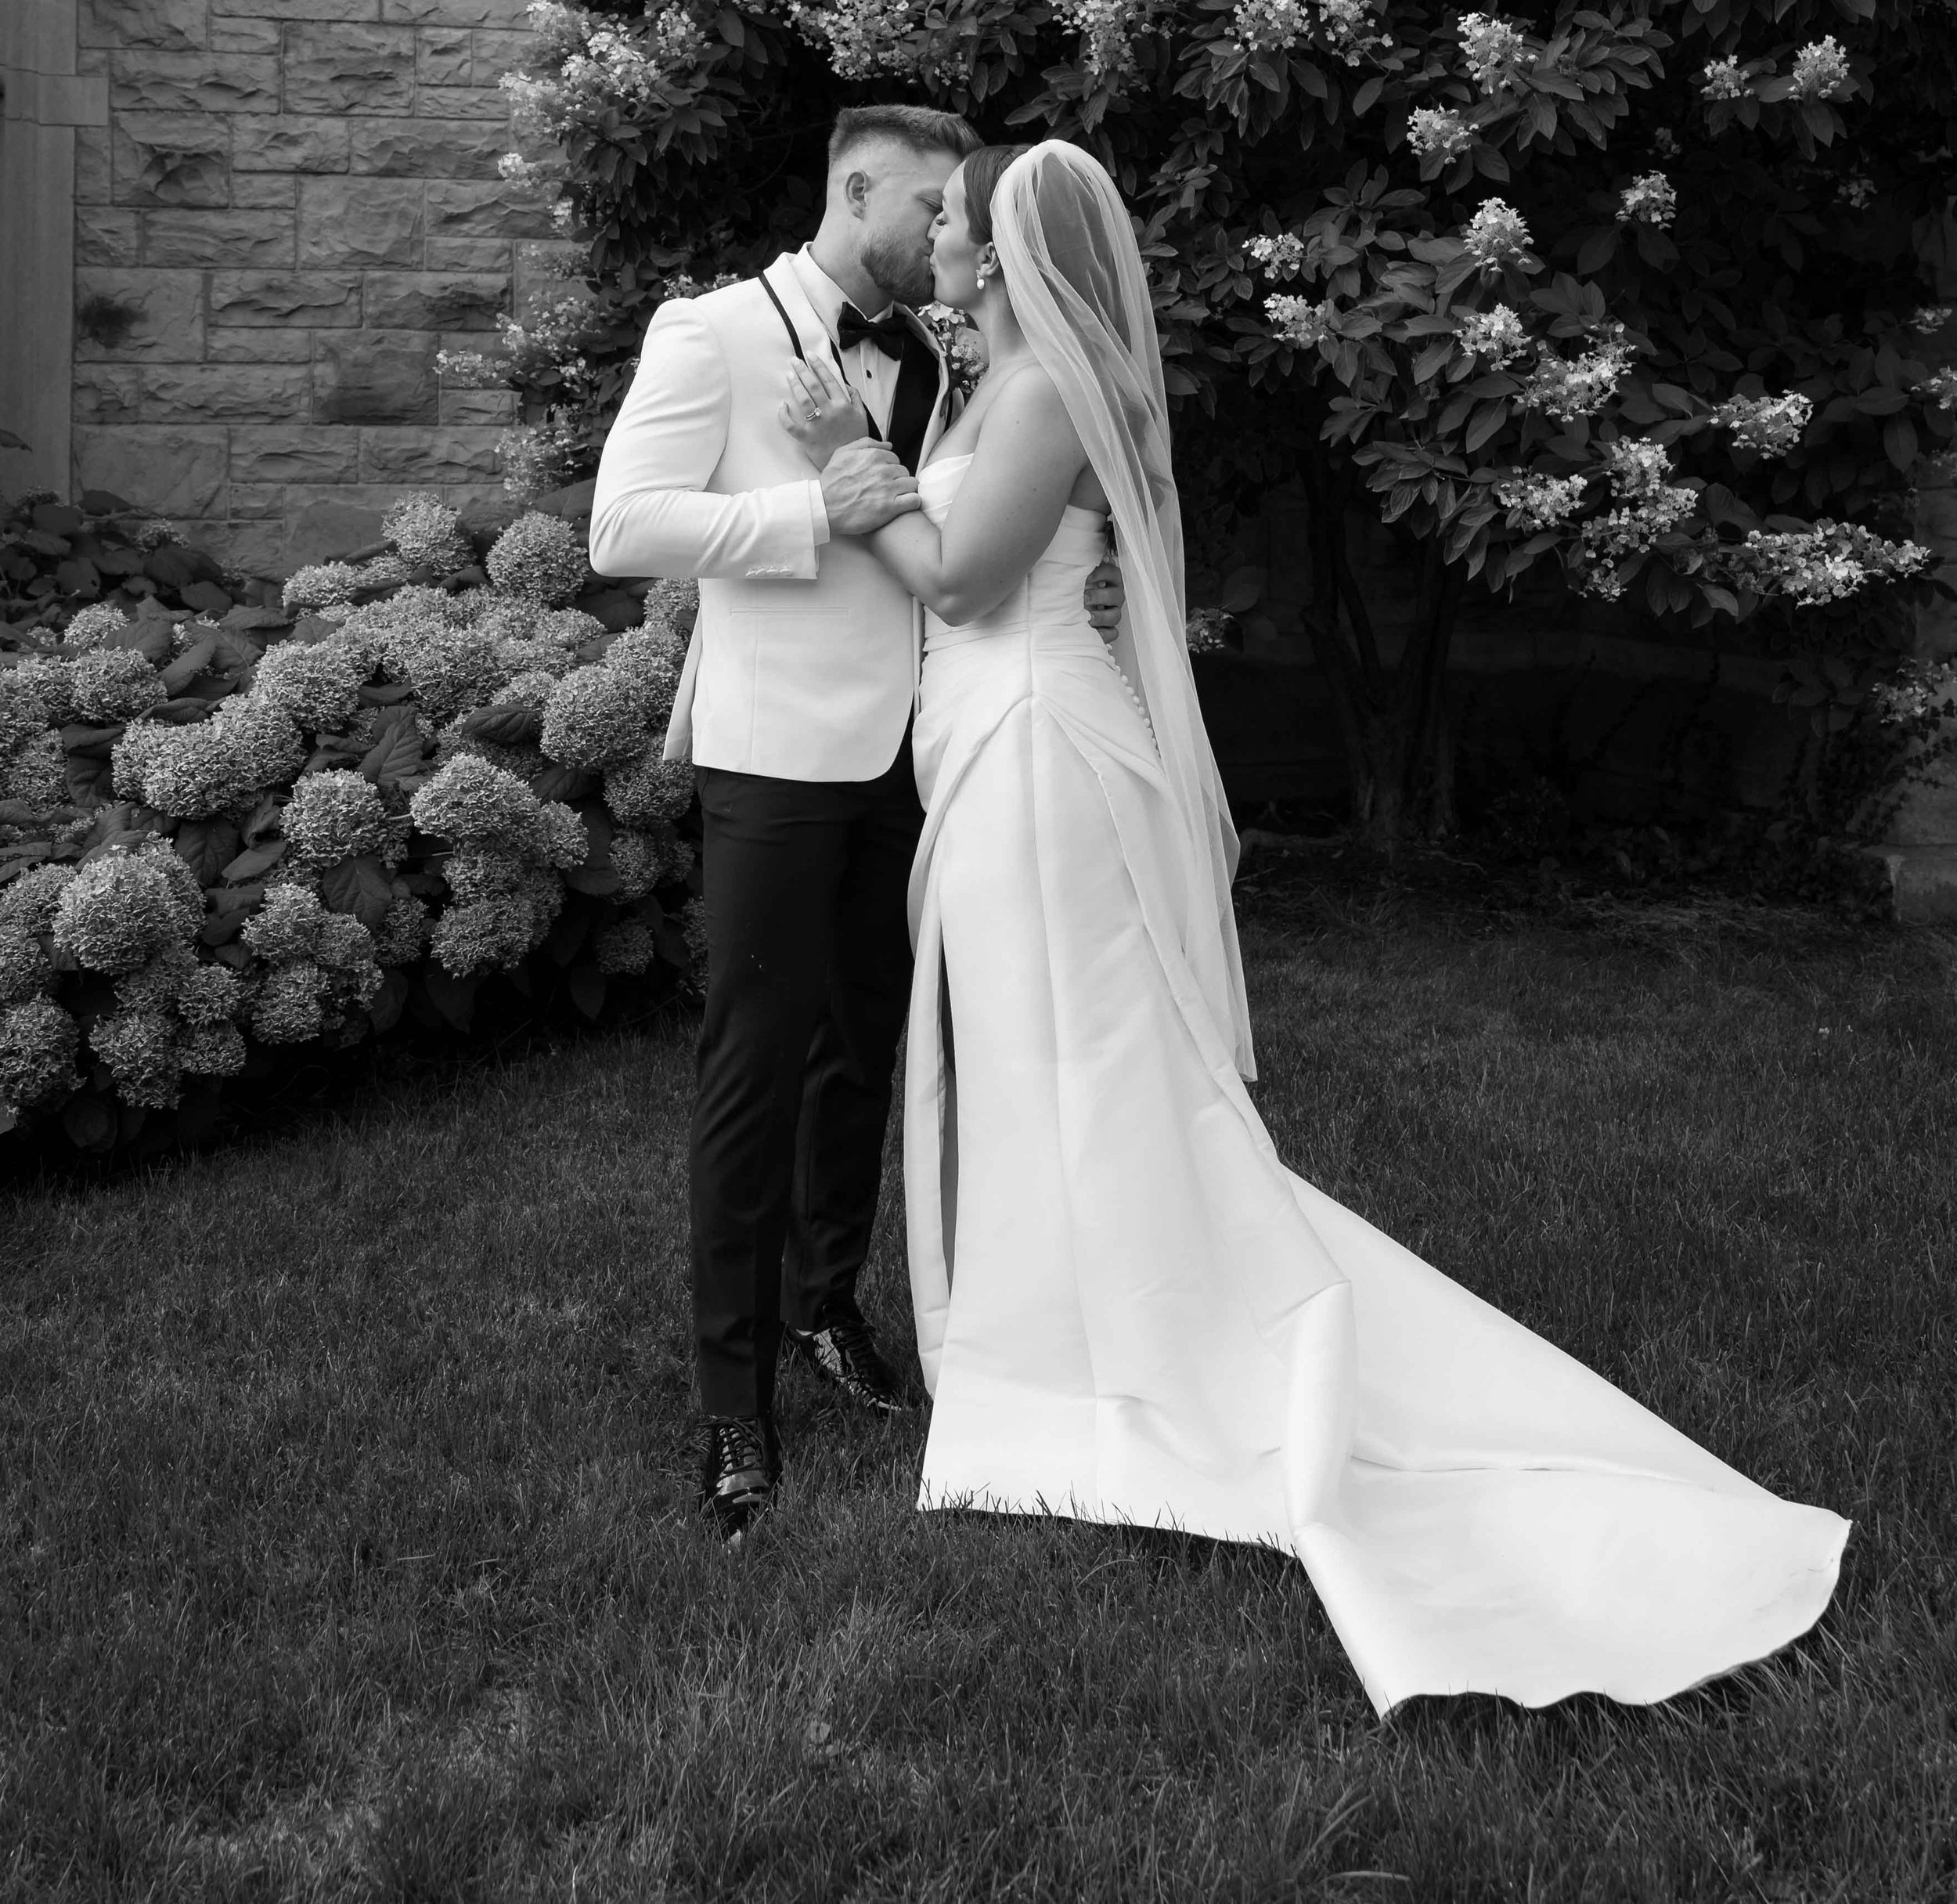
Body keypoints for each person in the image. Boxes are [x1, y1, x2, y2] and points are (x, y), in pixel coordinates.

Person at [777, 136, 1851, 1715]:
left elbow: (958, 575)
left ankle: (1130, 1363)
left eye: (947, 219)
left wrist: (839, 461)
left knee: (1080, 1056)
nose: (928, 237)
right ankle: (1059, 1345)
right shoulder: (1005, 385)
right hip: (1001, 742)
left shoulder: (1044, 394)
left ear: (1000, 256)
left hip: (1031, 758)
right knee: (1042, 1060)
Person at [587, 106, 1119, 1543]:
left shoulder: (957, 347)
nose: (954, 226)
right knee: (753, 1066)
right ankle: (730, 1400)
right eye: (935, 202)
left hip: (921, 755)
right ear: (857, 186)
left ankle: (831, 1308)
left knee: (866, 1052)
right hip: (776, 754)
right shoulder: (712, 332)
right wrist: (814, 512)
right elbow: (622, 527)